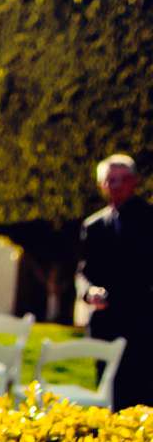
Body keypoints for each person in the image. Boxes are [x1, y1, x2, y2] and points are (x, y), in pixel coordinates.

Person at [81, 153, 151, 407]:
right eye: (111, 180)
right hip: (106, 324)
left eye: (123, 180)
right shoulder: (94, 226)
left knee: (141, 394)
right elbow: (85, 271)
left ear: (134, 182)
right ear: (102, 185)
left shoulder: (149, 220)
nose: (117, 186)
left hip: (142, 324)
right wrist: (90, 293)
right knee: (108, 394)